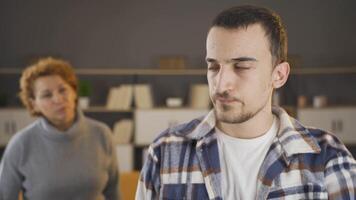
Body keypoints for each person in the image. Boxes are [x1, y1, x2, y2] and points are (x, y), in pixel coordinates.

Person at [136, 5, 356, 200]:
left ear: (278, 74)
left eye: (241, 66)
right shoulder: (165, 152)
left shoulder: (328, 157)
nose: (221, 85)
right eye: (213, 67)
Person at [0, 57, 120, 200]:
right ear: (33, 104)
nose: (57, 99)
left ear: (74, 92)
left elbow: (114, 193)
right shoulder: (21, 144)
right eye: (47, 95)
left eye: (63, 90)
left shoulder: (102, 134)